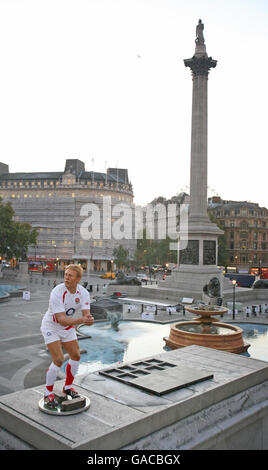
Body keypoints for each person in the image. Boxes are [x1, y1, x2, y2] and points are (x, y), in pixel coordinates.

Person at [40, 264, 94, 408]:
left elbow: (86, 315)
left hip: (68, 327)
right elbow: (61, 320)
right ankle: (47, 392)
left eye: (70, 276)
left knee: (76, 355)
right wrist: (82, 320)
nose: (66, 278)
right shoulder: (57, 292)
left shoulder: (83, 293)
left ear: (78, 279)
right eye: (65, 274)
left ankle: (68, 386)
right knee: (58, 359)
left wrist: (89, 319)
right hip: (51, 326)